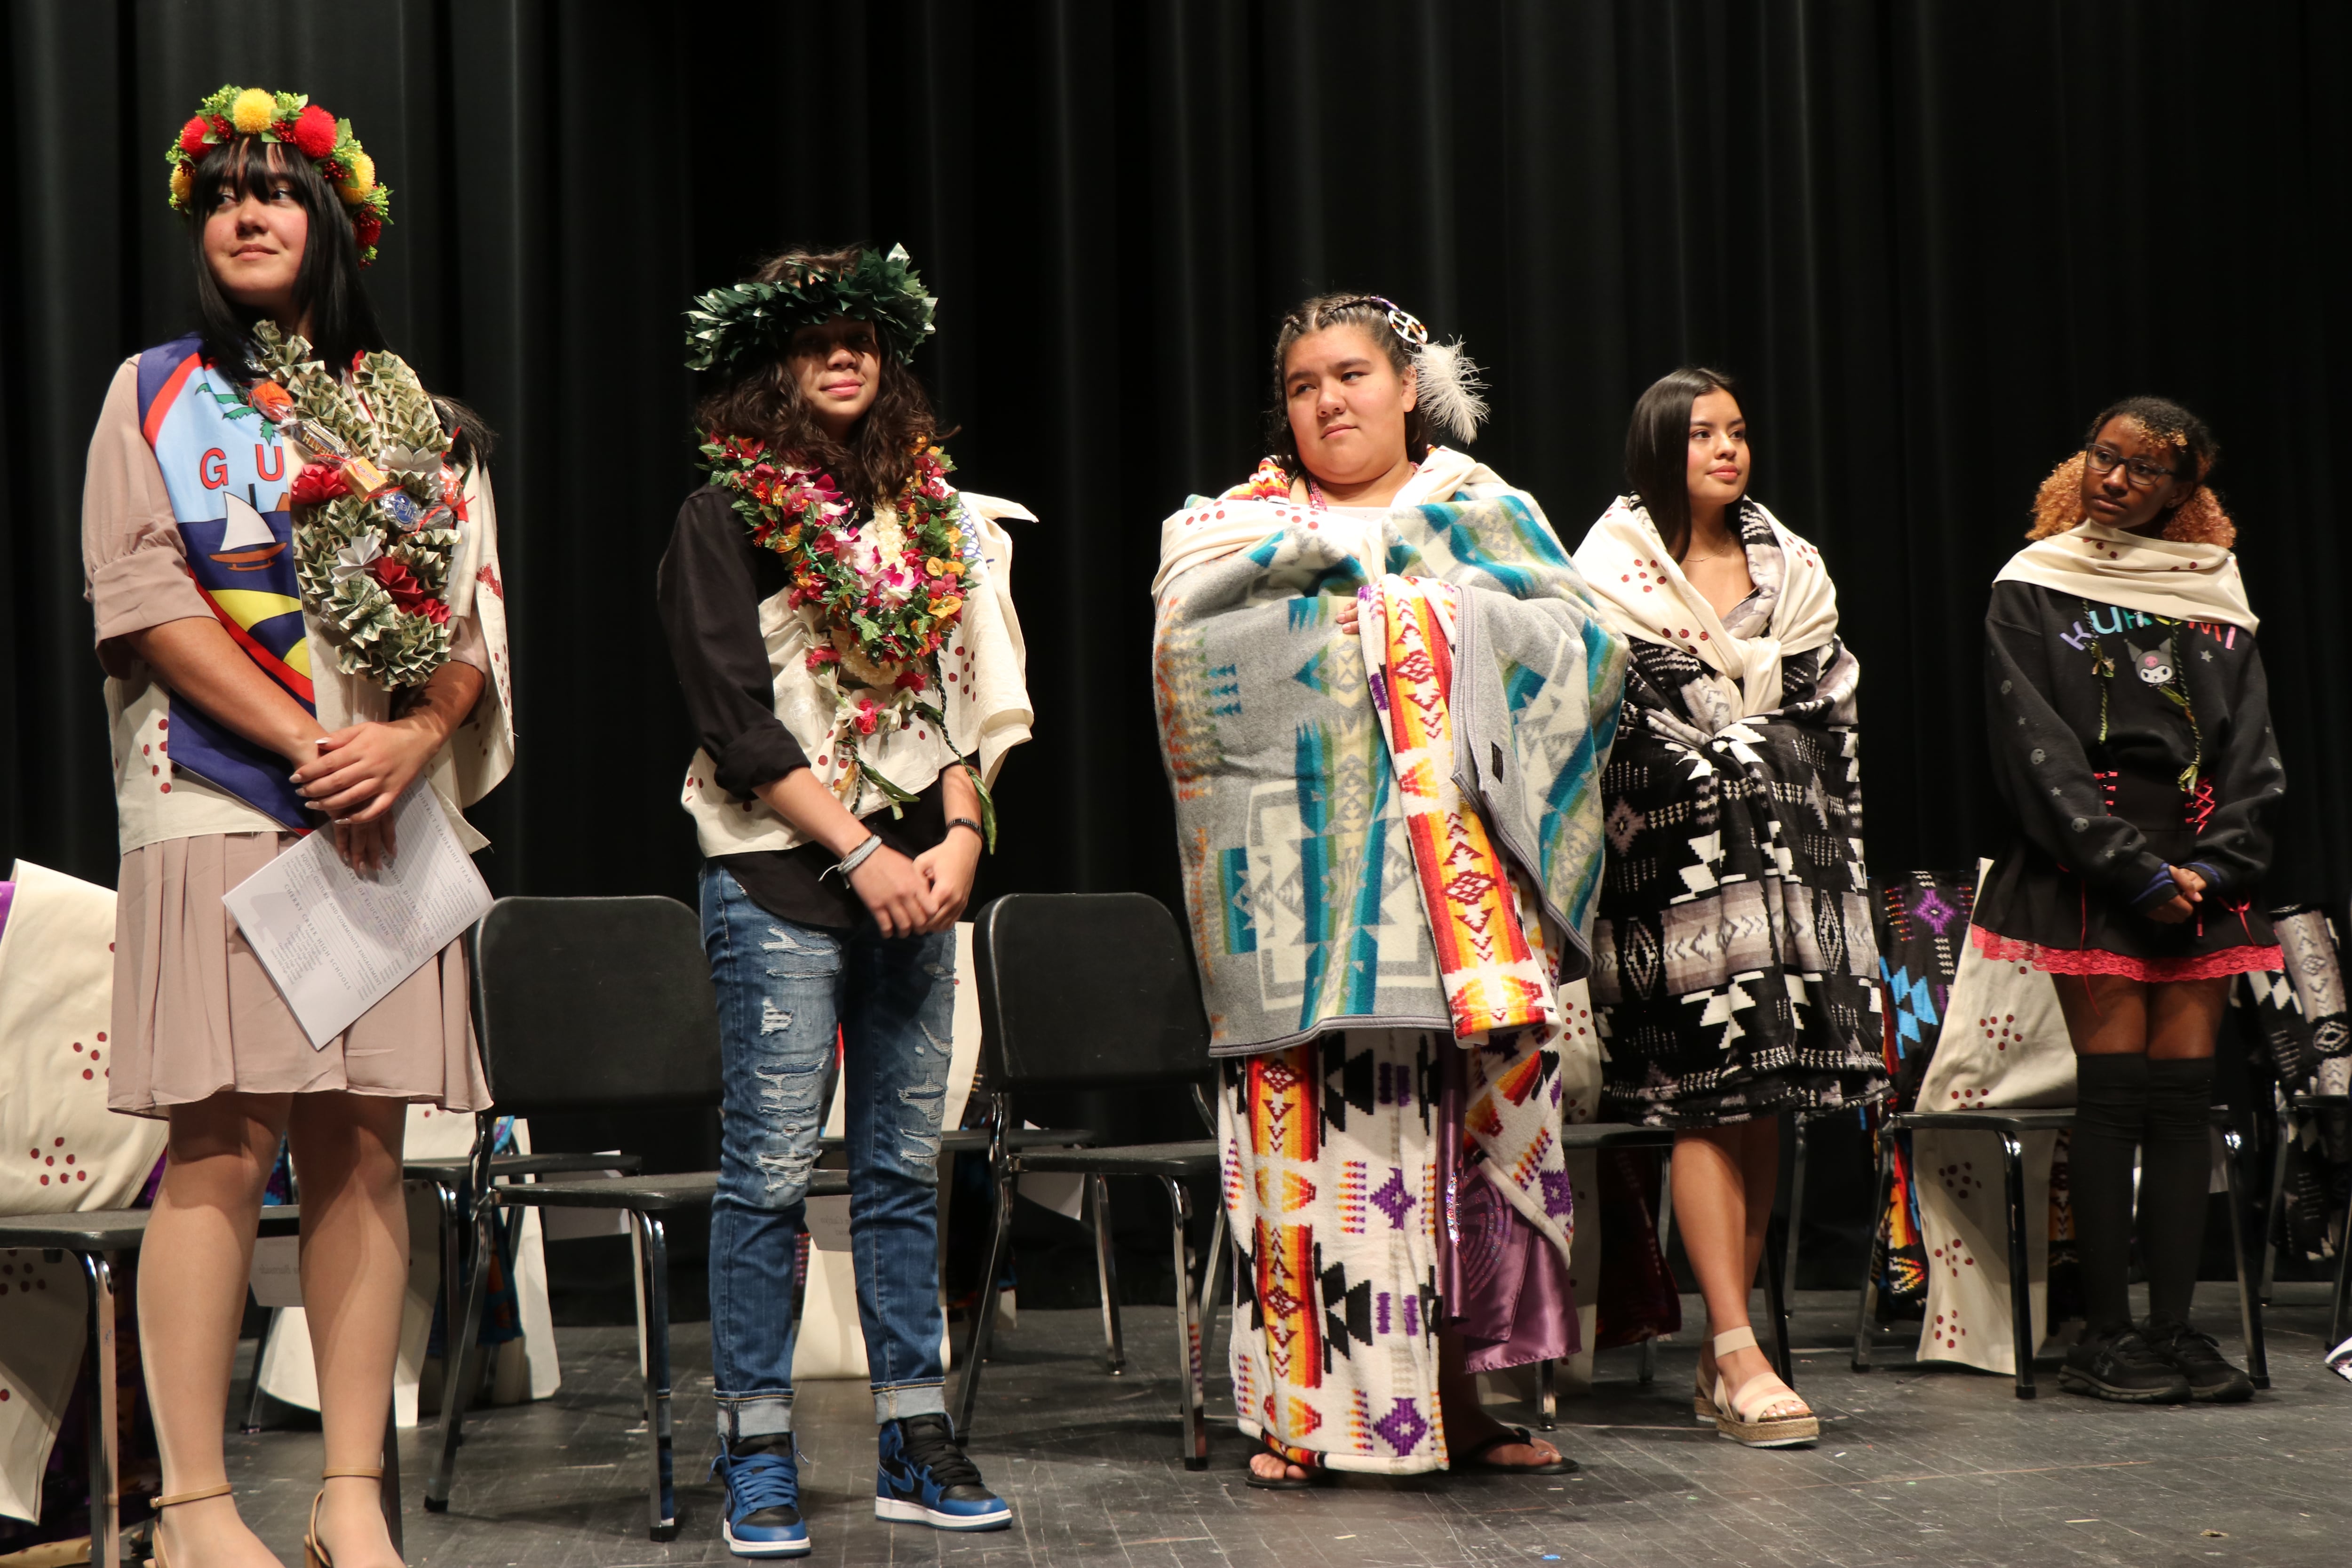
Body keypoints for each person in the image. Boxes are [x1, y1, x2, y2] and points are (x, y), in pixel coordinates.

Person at [88, 85, 513, 1568]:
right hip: (216, 802)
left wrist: (404, 739)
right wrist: (304, 738)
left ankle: (349, 1497)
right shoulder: (149, 392)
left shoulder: (422, 419)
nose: (249, 212)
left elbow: (472, 634)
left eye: (277, 190)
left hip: (374, 821)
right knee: (218, 1139)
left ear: (334, 223)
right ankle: (198, 1508)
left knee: (366, 1149)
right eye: (223, 194)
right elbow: (141, 600)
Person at [1153, 294, 1624, 1487]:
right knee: (1304, 1156)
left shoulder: (1482, 509)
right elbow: (1190, 667)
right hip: (1301, 914)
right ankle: (1303, 1415)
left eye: (1351, 375)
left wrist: (1431, 618)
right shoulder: (1232, 528)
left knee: (1456, 1156)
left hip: (1452, 911)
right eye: (1305, 383)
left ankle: (1461, 1403)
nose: (1328, 400)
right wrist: (1363, 617)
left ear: (1406, 386)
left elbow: (1590, 651)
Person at [657, 245, 1033, 1555]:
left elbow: (964, 704)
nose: (845, 350)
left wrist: (963, 835)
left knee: (898, 1171)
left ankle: (911, 1440)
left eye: (867, 333)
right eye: (815, 333)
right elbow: (735, 721)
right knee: (767, 1169)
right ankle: (757, 1444)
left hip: (923, 880)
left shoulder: (933, 521)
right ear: (770, 362)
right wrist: (858, 853)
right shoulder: (726, 519)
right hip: (777, 877)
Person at [1572, 368, 1884, 1448]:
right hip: (1674, 881)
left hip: (1787, 872)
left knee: (1768, 1100)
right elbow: (1611, 713)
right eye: (1702, 432)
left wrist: (1753, 743)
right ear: (1657, 444)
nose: (1726, 449)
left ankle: (1725, 1347)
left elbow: (1828, 698)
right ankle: (1735, 1341)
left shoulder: (1791, 568)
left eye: (1738, 432)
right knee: (1711, 1094)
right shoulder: (1607, 570)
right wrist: (1739, 748)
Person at [1974, 397, 2280, 1404]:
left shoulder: (2213, 591)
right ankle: (2102, 1334)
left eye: (2143, 470)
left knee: (2182, 1103)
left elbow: (2252, 751)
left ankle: (2175, 1328)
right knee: (2111, 1099)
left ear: (2184, 491)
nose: (2114, 479)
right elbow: (2033, 747)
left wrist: (2218, 866)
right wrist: (2128, 868)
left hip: (2202, 871)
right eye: (2104, 457)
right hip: (2088, 869)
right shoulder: (2034, 585)